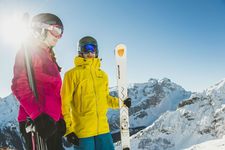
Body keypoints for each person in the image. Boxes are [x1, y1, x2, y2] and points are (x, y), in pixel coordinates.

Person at [61, 36, 131, 150]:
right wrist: (68, 130)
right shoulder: (71, 75)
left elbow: (106, 99)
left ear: (96, 51)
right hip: (83, 131)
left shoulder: (102, 75)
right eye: (86, 49)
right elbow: (64, 103)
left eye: (92, 49)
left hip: (103, 129)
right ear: (80, 51)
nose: (90, 52)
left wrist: (122, 103)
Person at [11, 13, 66, 150]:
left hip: (51, 120)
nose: (59, 37)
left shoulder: (49, 56)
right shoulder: (28, 51)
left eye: (61, 33)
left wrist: (60, 117)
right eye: (56, 30)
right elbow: (19, 85)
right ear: (41, 29)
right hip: (37, 121)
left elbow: (54, 91)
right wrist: (37, 115)